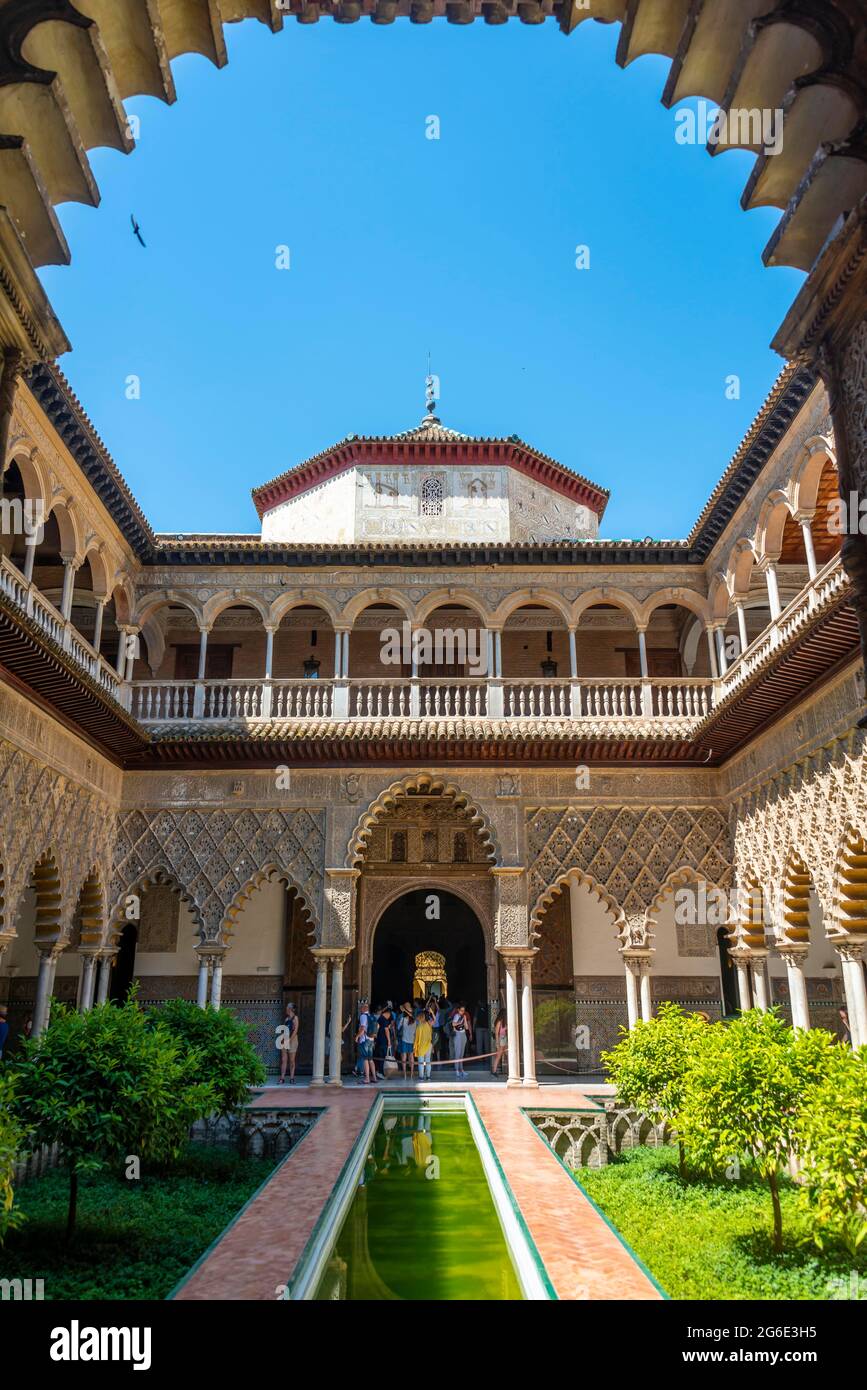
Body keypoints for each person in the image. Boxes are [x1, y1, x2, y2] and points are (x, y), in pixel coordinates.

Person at [356, 1009, 378, 1085]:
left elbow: (362, 1028)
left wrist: (357, 1036)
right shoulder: (372, 1016)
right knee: (371, 1059)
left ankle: (367, 1079)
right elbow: (378, 1026)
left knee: (365, 1059)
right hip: (371, 1040)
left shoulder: (363, 1016)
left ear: (363, 1009)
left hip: (364, 1040)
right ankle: (374, 1078)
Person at [279, 1001, 299, 1084]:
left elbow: (295, 1030)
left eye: (287, 1007)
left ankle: (292, 1078)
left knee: (292, 1060)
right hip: (285, 1040)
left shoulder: (295, 1018)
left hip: (292, 1040)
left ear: (291, 1009)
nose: (286, 1008)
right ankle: (282, 1078)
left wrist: (289, 1040)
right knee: (284, 1060)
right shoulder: (286, 1019)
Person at [450, 1001, 472, 1079]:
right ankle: (457, 1070)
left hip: (463, 1035)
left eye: (463, 1010)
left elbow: (466, 1027)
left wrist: (465, 1019)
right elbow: (453, 1024)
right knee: (458, 1053)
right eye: (461, 1010)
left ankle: (461, 1070)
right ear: (458, 1010)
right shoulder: (456, 1015)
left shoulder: (464, 1016)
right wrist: (459, 1022)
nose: (462, 1012)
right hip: (458, 1035)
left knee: (462, 1054)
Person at [414, 1006, 433, 1081]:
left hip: (421, 1046)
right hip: (429, 1045)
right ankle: (428, 1076)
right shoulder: (428, 1025)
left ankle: (421, 1077)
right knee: (428, 1061)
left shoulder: (419, 1026)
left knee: (421, 1062)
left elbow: (417, 1038)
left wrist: (415, 1046)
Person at [397, 1002, 417, 1080]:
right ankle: (411, 1074)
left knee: (404, 1058)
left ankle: (405, 1074)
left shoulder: (403, 1019)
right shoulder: (415, 1020)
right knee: (411, 1057)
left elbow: (398, 1027)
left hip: (404, 1040)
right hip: (412, 1040)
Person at [492, 1008, 508, 1076]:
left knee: (507, 1054)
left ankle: (509, 1070)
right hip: (500, 1039)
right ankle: (494, 1071)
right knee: (498, 1056)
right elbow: (496, 1033)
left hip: (504, 1038)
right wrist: (497, 1043)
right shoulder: (499, 1022)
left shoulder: (504, 1022)